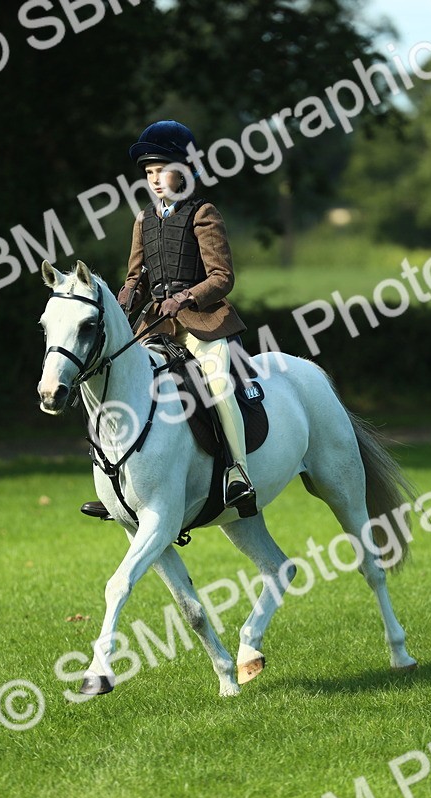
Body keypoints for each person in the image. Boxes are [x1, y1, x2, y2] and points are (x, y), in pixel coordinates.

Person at [81, 120, 257, 521]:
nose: (155, 180)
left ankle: (237, 473)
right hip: (156, 325)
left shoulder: (203, 213)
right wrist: (123, 300)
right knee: (114, 381)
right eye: (149, 173)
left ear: (188, 169)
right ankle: (116, 484)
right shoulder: (143, 219)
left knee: (217, 386)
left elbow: (222, 277)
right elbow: (135, 278)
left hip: (204, 322)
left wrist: (186, 297)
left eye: (163, 170)